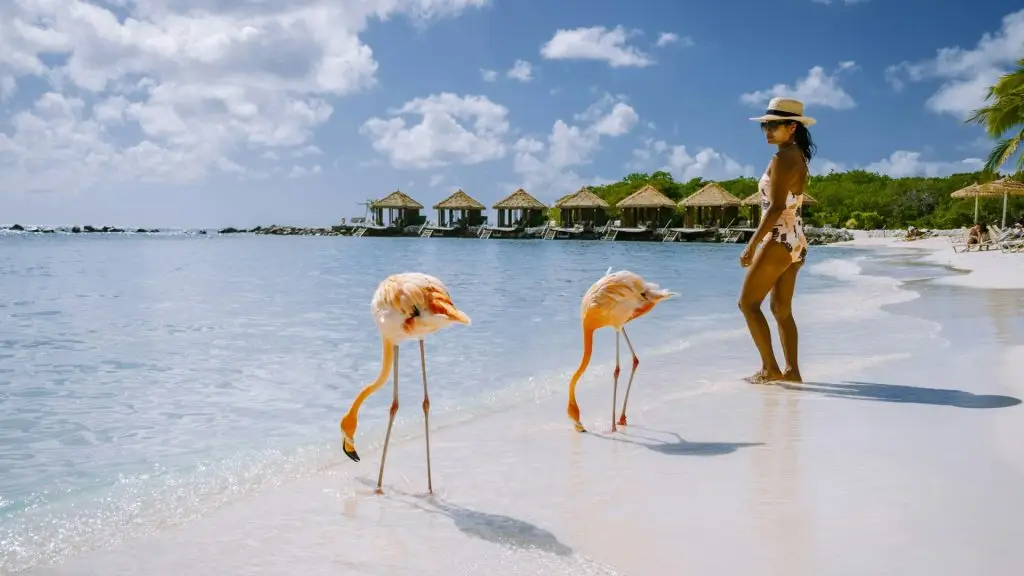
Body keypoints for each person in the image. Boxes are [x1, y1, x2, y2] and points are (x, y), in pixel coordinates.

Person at [738, 97, 816, 384]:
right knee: (781, 309)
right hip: (796, 240)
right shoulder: (798, 156)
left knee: (747, 304)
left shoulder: (782, 158)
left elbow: (775, 208)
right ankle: (792, 371)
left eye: (774, 126)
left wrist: (752, 244)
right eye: (765, 126)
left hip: (780, 237)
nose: (768, 131)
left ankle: (769, 369)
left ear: (792, 127)